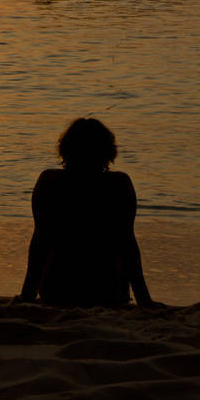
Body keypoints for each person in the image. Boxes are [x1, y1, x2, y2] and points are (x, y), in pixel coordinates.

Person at [18, 118, 162, 308]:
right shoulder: (119, 184)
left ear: (65, 148)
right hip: (108, 291)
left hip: (57, 289)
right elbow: (127, 244)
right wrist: (144, 300)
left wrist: (27, 295)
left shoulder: (50, 180)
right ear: (108, 151)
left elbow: (41, 241)